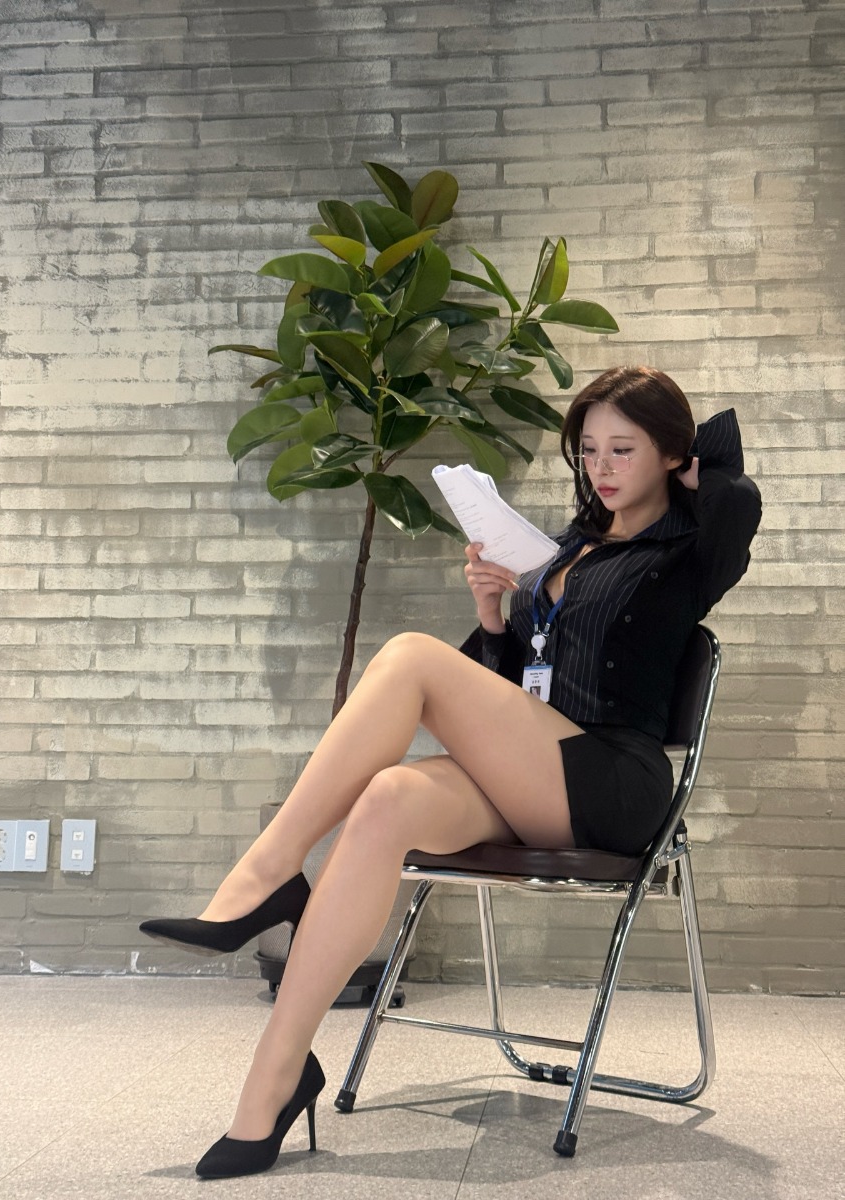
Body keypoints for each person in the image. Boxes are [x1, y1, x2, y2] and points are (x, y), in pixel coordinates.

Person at [139, 365, 762, 1179]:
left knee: (409, 658)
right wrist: (494, 618)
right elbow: (513, 686)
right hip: (533, 773)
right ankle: (276, 1079)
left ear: (671, 455)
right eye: (589, 451)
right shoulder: (567, 547)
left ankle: (266, 873)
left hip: (611, 781)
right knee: (389, 796)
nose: (601, 467)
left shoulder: (690, 550)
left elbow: (738, 497)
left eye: (623, 449)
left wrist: (697, 465)